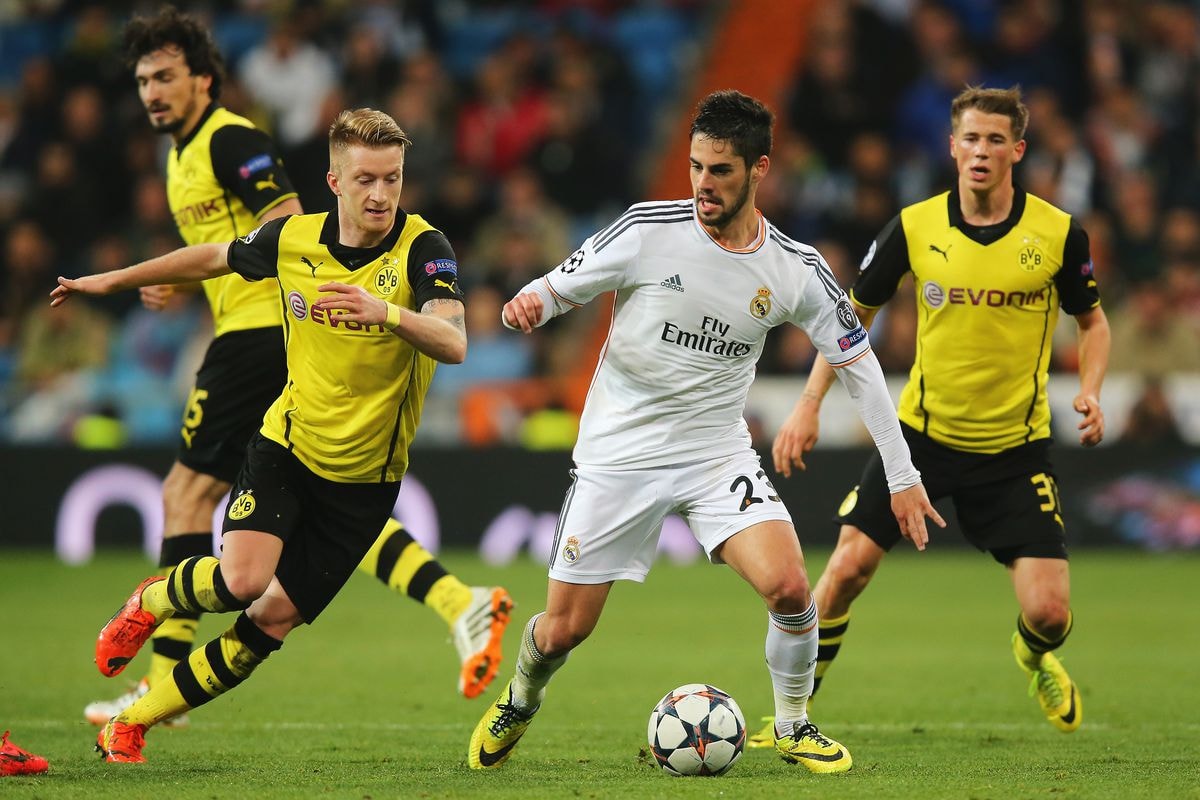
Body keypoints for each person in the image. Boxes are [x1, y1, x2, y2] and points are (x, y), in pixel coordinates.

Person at [466, 90, 944, 774]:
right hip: (619, 453)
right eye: (696, 166)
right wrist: (530, 305)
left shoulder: (793, 269)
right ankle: (522, 694)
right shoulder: (647, 229)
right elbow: (559, 284)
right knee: (565, 629)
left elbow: (858, 363)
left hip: (714, 453)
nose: (702, 184)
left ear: (760, 170)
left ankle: (794, 724)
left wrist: (902, 477)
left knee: (789, 589)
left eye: (720, 170)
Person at [82, 7, 510, 730]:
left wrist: (364, 307)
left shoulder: (232, 141)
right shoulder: (185, 156)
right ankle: (453, 600)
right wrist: (133, 279)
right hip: (277, 349)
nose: (152, 92)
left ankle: (154, 690)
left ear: (204, 78)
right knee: (261, 522)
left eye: (166, 77)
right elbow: (232, 250)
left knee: (189, 497)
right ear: (341, 180)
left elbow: (279, 222)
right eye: (143, 80)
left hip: (261, 337)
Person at [751, 86, 1109, 745]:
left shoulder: (1057, 233)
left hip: (1014, 449)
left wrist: (1089, 387)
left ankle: (1031, 656)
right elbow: (850, 319)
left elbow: (1092, 321)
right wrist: (808, 404)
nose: (981, 151)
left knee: (1051, 613)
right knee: (843, 572)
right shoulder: (915, 227)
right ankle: (793, 716)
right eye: (970, 138)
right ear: (952, 146)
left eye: (995, 140)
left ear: (1017, 151)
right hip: (918, 441)